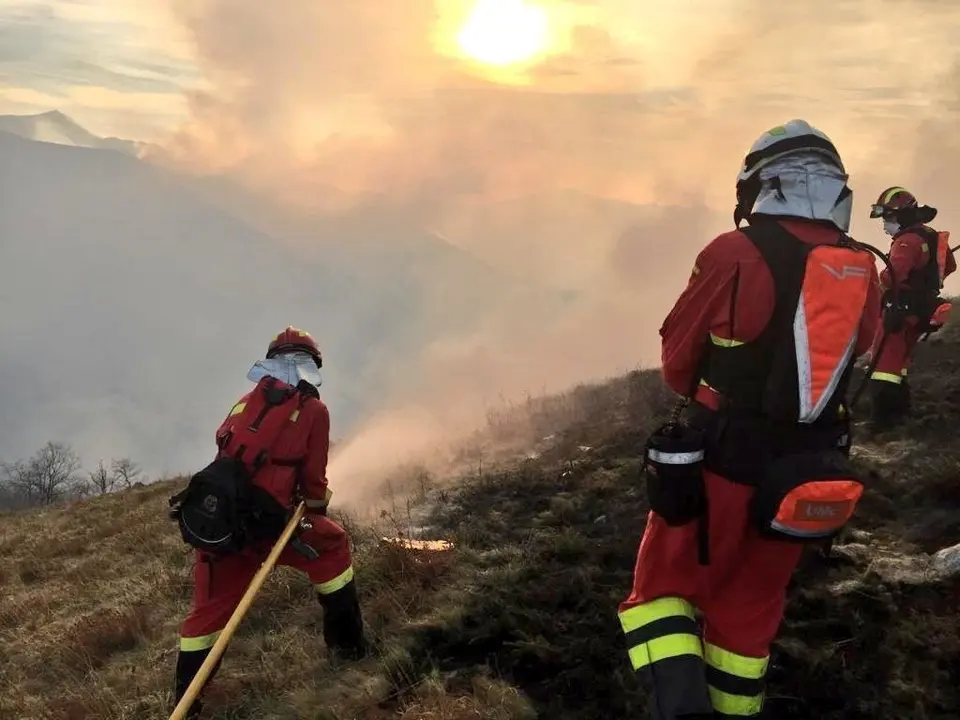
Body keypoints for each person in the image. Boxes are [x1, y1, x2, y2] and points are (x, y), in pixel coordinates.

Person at [617, 120, 881, 719]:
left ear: (762, 183)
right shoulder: (862, 267)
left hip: (722, 463)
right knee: (750, 611)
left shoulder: (733, 253)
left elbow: (677, 363)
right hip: (807, 470)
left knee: (658, 596)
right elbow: (860, 351)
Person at [171, 326, 367, 718]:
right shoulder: (314, 411)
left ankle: (186, 705)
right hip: (269, 526)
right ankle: (349, 650)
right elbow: (314, 483)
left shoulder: (243, 402)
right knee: (333, 547)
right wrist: (313, 509)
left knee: (207, 615)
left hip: (220, 523)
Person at [866, 187, 956, 429]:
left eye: (889, 218)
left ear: (903, 216)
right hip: (920, 309)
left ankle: (884, 421)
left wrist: (875, 278)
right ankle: (901, 413)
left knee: (883, 366)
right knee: (899, 365)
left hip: (900, 311)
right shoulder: (931, 235)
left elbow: (891, 277)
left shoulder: (906, 241)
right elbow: (949, 267)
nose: (885, 224)